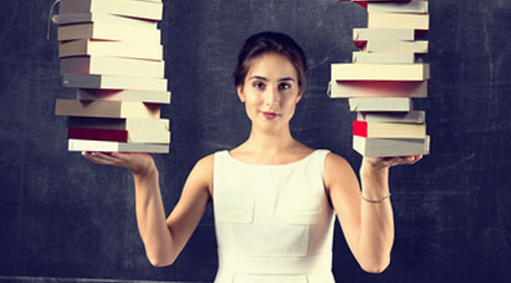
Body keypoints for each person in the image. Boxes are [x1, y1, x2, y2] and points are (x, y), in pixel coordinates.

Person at [82, 31, 422, 283]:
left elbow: (374, 261)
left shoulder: (329, 168)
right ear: (241, 90)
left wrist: (375, 173)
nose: (271, 100)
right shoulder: (211, 170)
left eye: (284, 86)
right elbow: (161, 253)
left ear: (299, 92)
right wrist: (145, 176)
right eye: (259, 85)